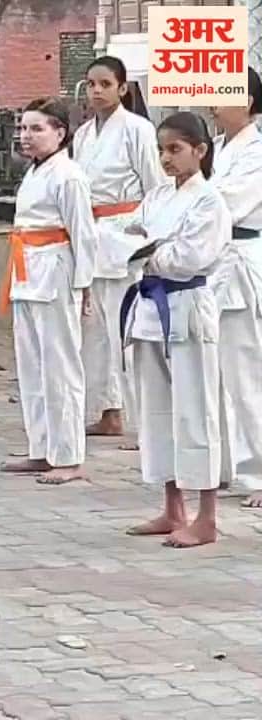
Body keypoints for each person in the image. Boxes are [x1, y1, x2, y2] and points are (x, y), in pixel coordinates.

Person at [123, 112, 229, 548]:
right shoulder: (157, 196)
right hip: (150, 308)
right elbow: (125, 235)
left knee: (195, 410)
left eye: (175, 149)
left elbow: (190, 258)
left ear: (200, 151)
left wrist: (148, 252)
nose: (166, 158)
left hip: (187, 307)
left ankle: (207, 516)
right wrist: (145, 250)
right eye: (161, 150)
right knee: (157, 411)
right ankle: (172, 507)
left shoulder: (210, 201)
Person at [0, 98, 97, 485]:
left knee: (61, 367)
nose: (26, 136)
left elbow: (83, 234)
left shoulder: (68, 176)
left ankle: (69, 456)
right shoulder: (35, 172)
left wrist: (84, 285)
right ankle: (41, 448)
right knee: (32, 367)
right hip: (26, 271)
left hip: (56, 273)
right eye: (23, 128)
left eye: (36, 128)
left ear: (60, 132)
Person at [73, 56, 168, 442]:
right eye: (91, 84)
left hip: (125, 232)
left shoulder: (138, 129)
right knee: (95, 332)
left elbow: (155, 186)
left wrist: (149, 236)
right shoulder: (83, 135)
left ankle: (143, 421)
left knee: (125, 328)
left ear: (122, 88)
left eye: (105, 84)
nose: (96, 91)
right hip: (92, 233)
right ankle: (109, 410)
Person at [207, 67, 262, 510]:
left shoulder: (257, 151)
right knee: (218, 373)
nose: (213, 102)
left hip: (243, 258)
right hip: (215, 263)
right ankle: (226, 466)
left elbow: (227, 205)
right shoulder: (218, 147)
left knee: (248, 374)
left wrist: (188, 206)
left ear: (246, 101)